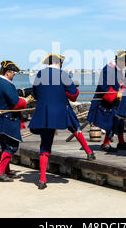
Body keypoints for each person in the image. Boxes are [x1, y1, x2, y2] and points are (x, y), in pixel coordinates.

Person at [29, 54, 95, 190]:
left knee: (45, 145)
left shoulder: (39, 74)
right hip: (61, 109)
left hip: (45, 112)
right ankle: (89, 152)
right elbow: (74, 95)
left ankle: (42, 179)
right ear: (59, 63)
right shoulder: (62, 74)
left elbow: (35, 94)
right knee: (75, 127)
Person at [87, 50, 126, 152]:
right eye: (125, 61)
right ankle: (105, 144)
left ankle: (121, 143)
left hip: (115, 101)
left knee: (119, 120)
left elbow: (120, 85)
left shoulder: (118, 70)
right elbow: (103, 86)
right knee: (112, 122)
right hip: (106, 102)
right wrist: (117, 94)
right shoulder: (108, 69)